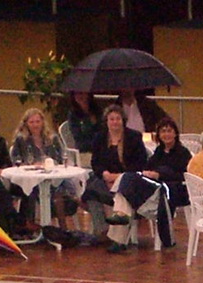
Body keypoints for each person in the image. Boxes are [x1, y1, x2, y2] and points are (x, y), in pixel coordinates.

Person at [110, 117, 188, 249]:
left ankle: (119, 237)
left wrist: (159, 174)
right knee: (126, 186)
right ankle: (120, 227)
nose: (166, 134)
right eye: (163, 131)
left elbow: (184, 176)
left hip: (169, 191)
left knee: (126, 185)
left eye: (169, 131)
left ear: (175, 133)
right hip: (152, 188)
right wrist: (148, 173)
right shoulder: (158, 152)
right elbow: (147, 167)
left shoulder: (183, 153)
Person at [87, 103, 148, 248]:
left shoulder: (134, 137)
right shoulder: (99, 138)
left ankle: (117, 238)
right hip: (106, 178)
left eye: (118, 119)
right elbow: (95, 162)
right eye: (111, 119)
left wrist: (119, 176)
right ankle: (102, 229)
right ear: (106, 122)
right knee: (90, 192)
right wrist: (104, 174)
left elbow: (140, 163)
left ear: (123, 120)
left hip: (128, 178)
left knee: (123, 191)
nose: (115, 122)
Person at [11, 107, 77, 228]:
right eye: (32, 122)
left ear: (42, 122)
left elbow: (63, 155)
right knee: (37, 190)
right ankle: (33, 224)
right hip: (32, 178)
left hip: (53, 174)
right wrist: (29, 165)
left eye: (38, 121)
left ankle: (62, 227)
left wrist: (51, 163)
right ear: (26, 124)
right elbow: (15, 158)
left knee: (60, 188)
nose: (35, 125)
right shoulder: (21, 139)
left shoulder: (52, 138)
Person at [63, 91, 100, 156]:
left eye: (81, 93)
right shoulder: (73, 115)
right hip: (84, 150)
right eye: (76, 94)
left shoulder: (97, 111)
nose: (79, 96)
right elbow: (78, 138)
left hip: (100, 147)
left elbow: (102, 130)